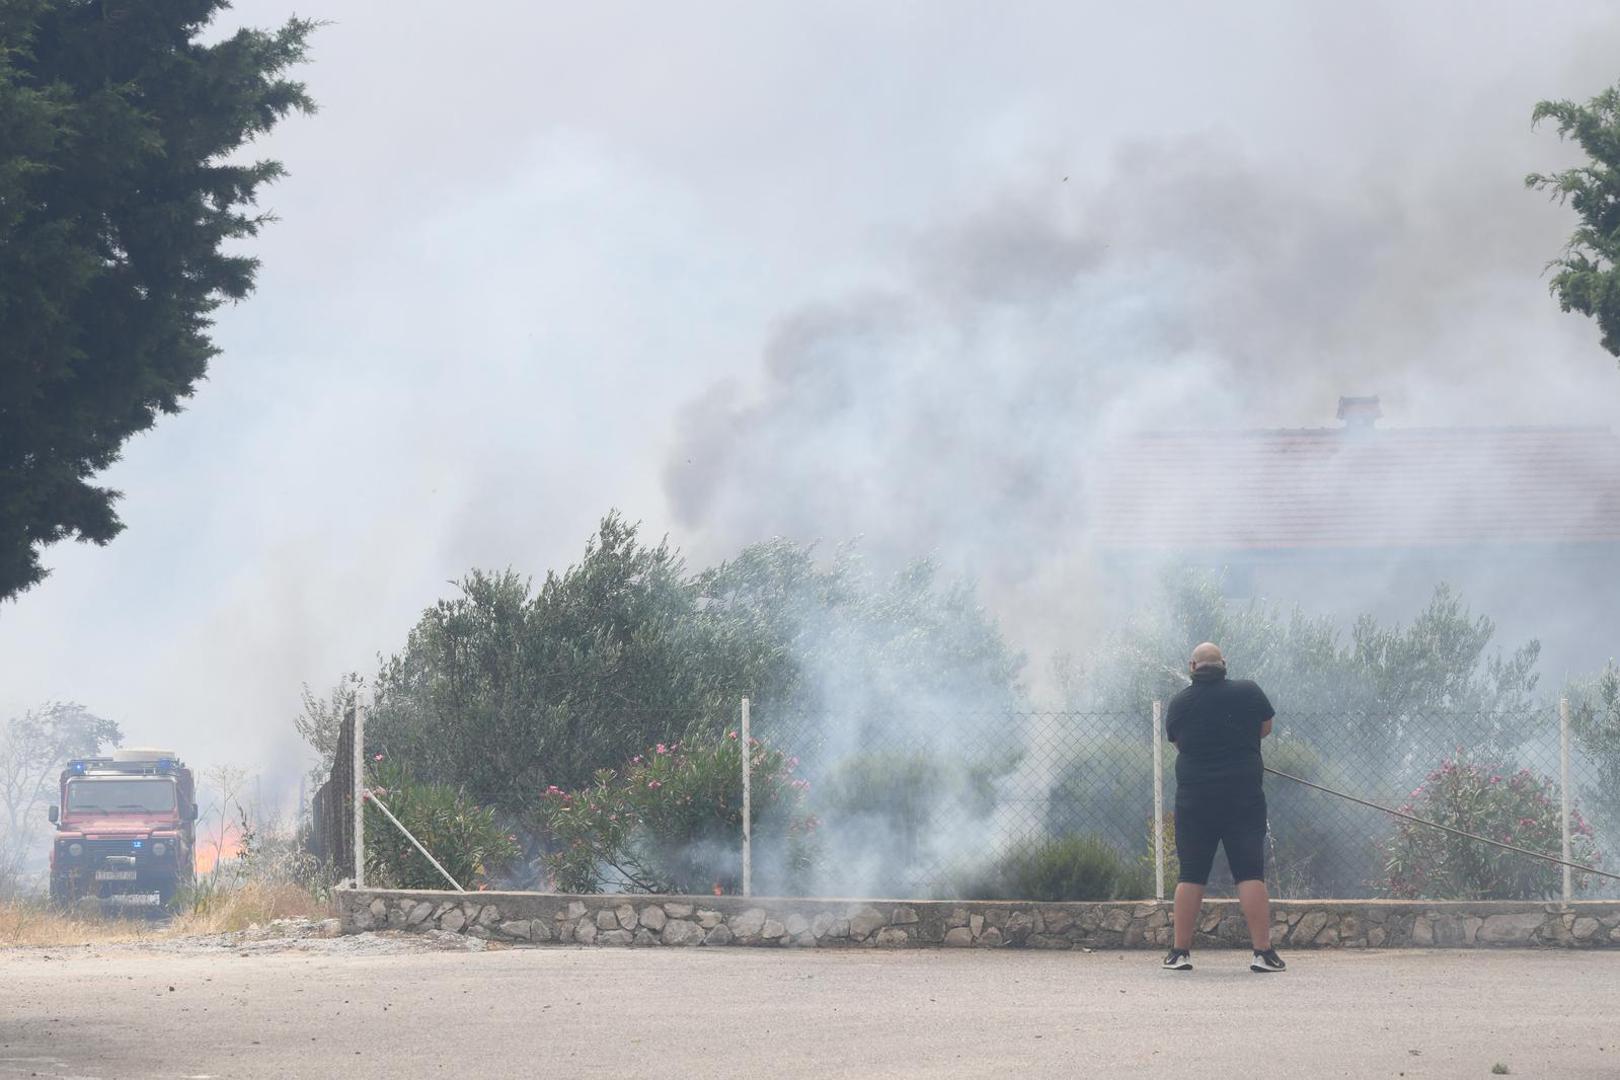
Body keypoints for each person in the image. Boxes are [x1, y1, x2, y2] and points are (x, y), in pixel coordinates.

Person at [1160, 642, 1286, 973]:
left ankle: (1179, 952)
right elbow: (1265, 728)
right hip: (1243, 797)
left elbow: (1178, 743)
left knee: (1191, 873)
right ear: (1224, 664)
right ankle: (1263, 953)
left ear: (1192, 666)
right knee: (1249, 871)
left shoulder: (1180, 703)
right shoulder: (1248, 691)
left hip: (1195, 800)